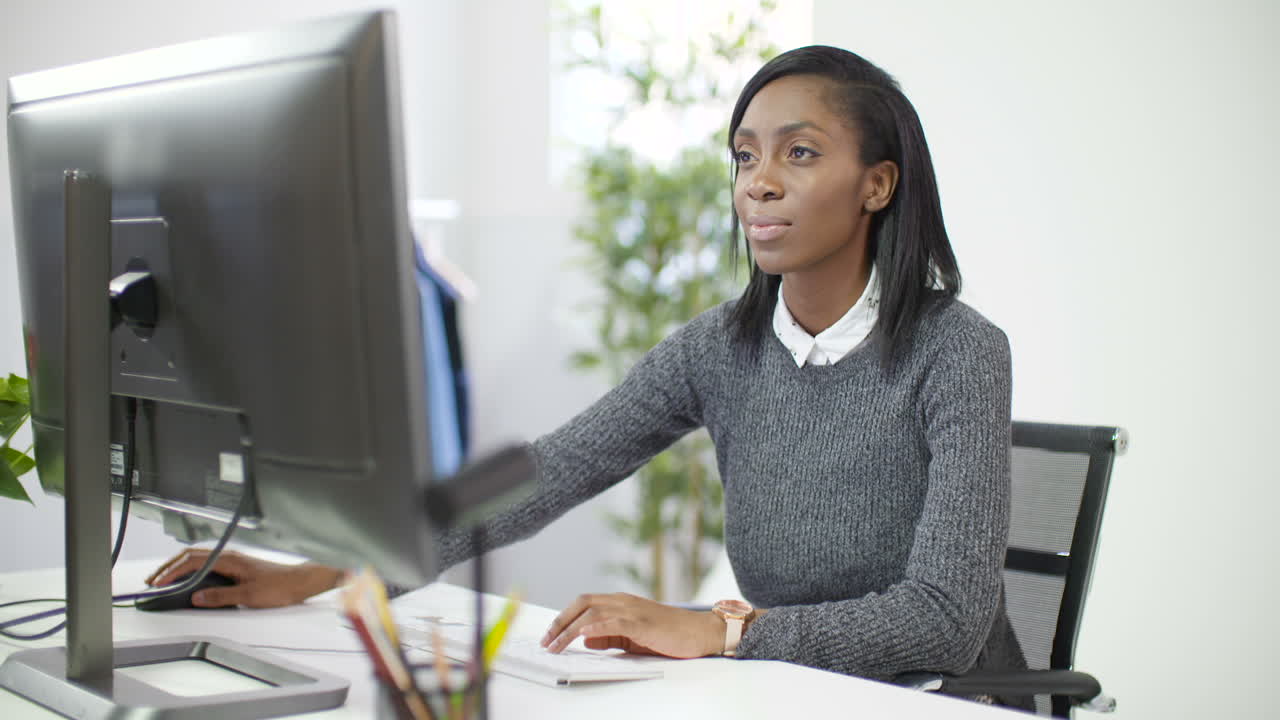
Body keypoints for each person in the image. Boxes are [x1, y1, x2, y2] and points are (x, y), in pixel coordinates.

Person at [147, 45, 1030, 708]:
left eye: (798, 154)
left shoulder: (958, 352)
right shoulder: (718, 349)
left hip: (938, 696)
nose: (758, 184)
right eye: (745, 156)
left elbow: (943, 617)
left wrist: (720, 630)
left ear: (877, 185)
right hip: (784, 690)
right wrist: (328, 565)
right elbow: (542, 469)